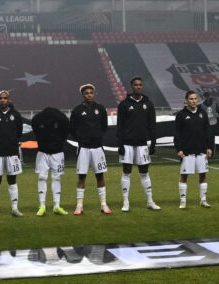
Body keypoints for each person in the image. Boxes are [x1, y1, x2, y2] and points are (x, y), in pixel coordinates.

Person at [115, 76, 161, 212]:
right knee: (126, 172)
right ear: (131, 87)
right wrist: (120, 144)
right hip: (128, 144)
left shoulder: (148, 103)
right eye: (136, 85)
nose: (138, 87)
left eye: (140, 85)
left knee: (144, 172)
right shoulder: (124, 104)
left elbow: (152, 125)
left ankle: (150, 201)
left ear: (142, 87)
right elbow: (120, 126)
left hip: (142, 144)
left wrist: (153, 143)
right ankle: (125, 202)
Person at [69, 83, 111, 215]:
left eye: (91, 93)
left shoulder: (100, 108)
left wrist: (96, 136)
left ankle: (104, 204)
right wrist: (81, 138)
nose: (89, 95)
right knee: (82, 177)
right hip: (84, 148)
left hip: (97, 147)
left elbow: (104, 126)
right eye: (86, 93)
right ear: (82, 95)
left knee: (100, 176)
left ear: (94, 94)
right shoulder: (77, 110)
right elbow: (72, 129)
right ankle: (79, 205)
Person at [0, 90, 25, 217]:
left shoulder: (16, 115)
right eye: (1, 98)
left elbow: (19, 133)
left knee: (12, 180)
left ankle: (14, 208)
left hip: (12, 154)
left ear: (9, 99)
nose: (3, 100)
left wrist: (11, 142)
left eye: (5, 98)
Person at [174, 89, 213, 208]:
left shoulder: (203, 113)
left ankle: (203, 200)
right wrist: (179, 149)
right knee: (184, 176)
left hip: (201, 150)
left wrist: (209, 147)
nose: (193, 101)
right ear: (186, 101)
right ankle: (183, 201)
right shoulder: (181, 115)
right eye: (191, 99)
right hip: (187, 151)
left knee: (203, 174)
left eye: (195, 99)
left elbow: (208, 132)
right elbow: (177, 134)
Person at [31, 104, 71, 216]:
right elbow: (36, 130)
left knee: (56, 178)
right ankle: (42, 206)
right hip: (43, 153)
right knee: (42, 178)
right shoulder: (39, 119)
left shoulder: (60, 119)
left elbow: (65, 131)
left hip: (57, 153)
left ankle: (57, 206)